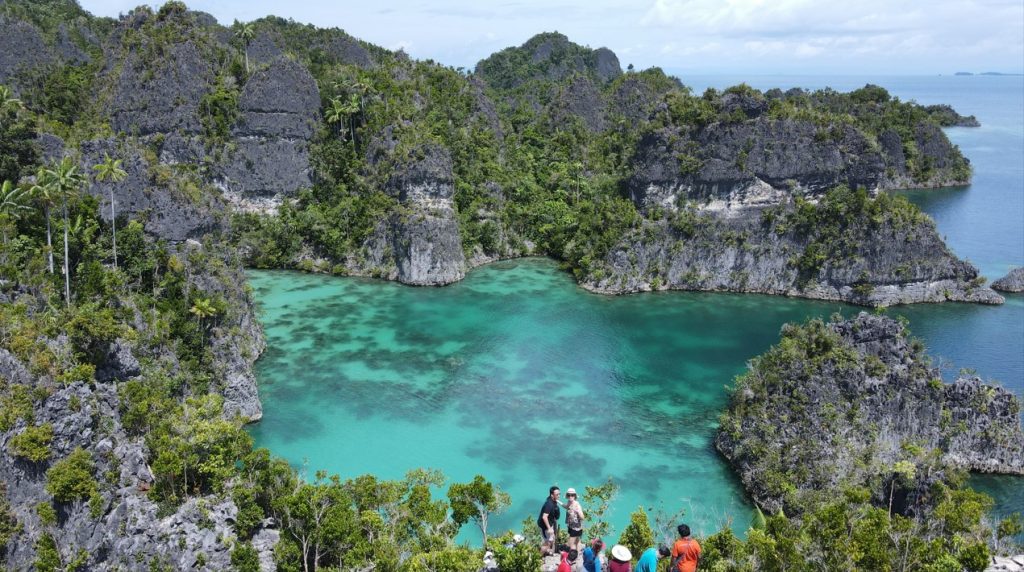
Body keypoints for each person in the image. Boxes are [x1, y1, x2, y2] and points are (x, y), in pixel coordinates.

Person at [538, 486, 561, 555]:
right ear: (552, 495)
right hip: (545, 527)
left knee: (551, 541)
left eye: (559, 494)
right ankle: (538, 558)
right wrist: (549, 529)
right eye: (557, 494)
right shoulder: (549, 504)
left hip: (549, 525)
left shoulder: (553, 500)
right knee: (547, 544)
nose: (559, 496)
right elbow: (544, 517)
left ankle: (550, 552)